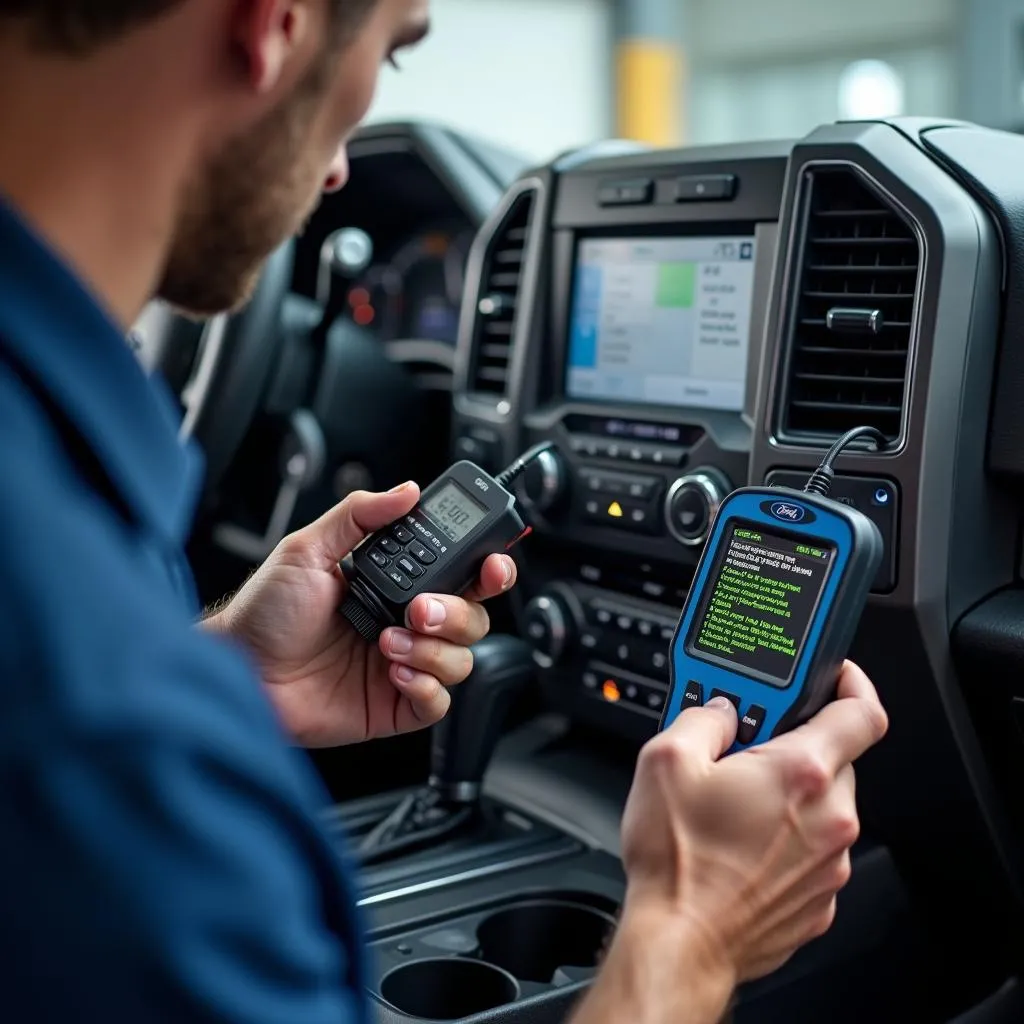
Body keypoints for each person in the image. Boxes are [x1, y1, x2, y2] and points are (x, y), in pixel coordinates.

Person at [0, 1, 889, 1021]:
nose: (338, 172)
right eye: (391, 50)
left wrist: (229, 679)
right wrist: (690, 928)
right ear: (274, 25)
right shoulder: (96, 718)